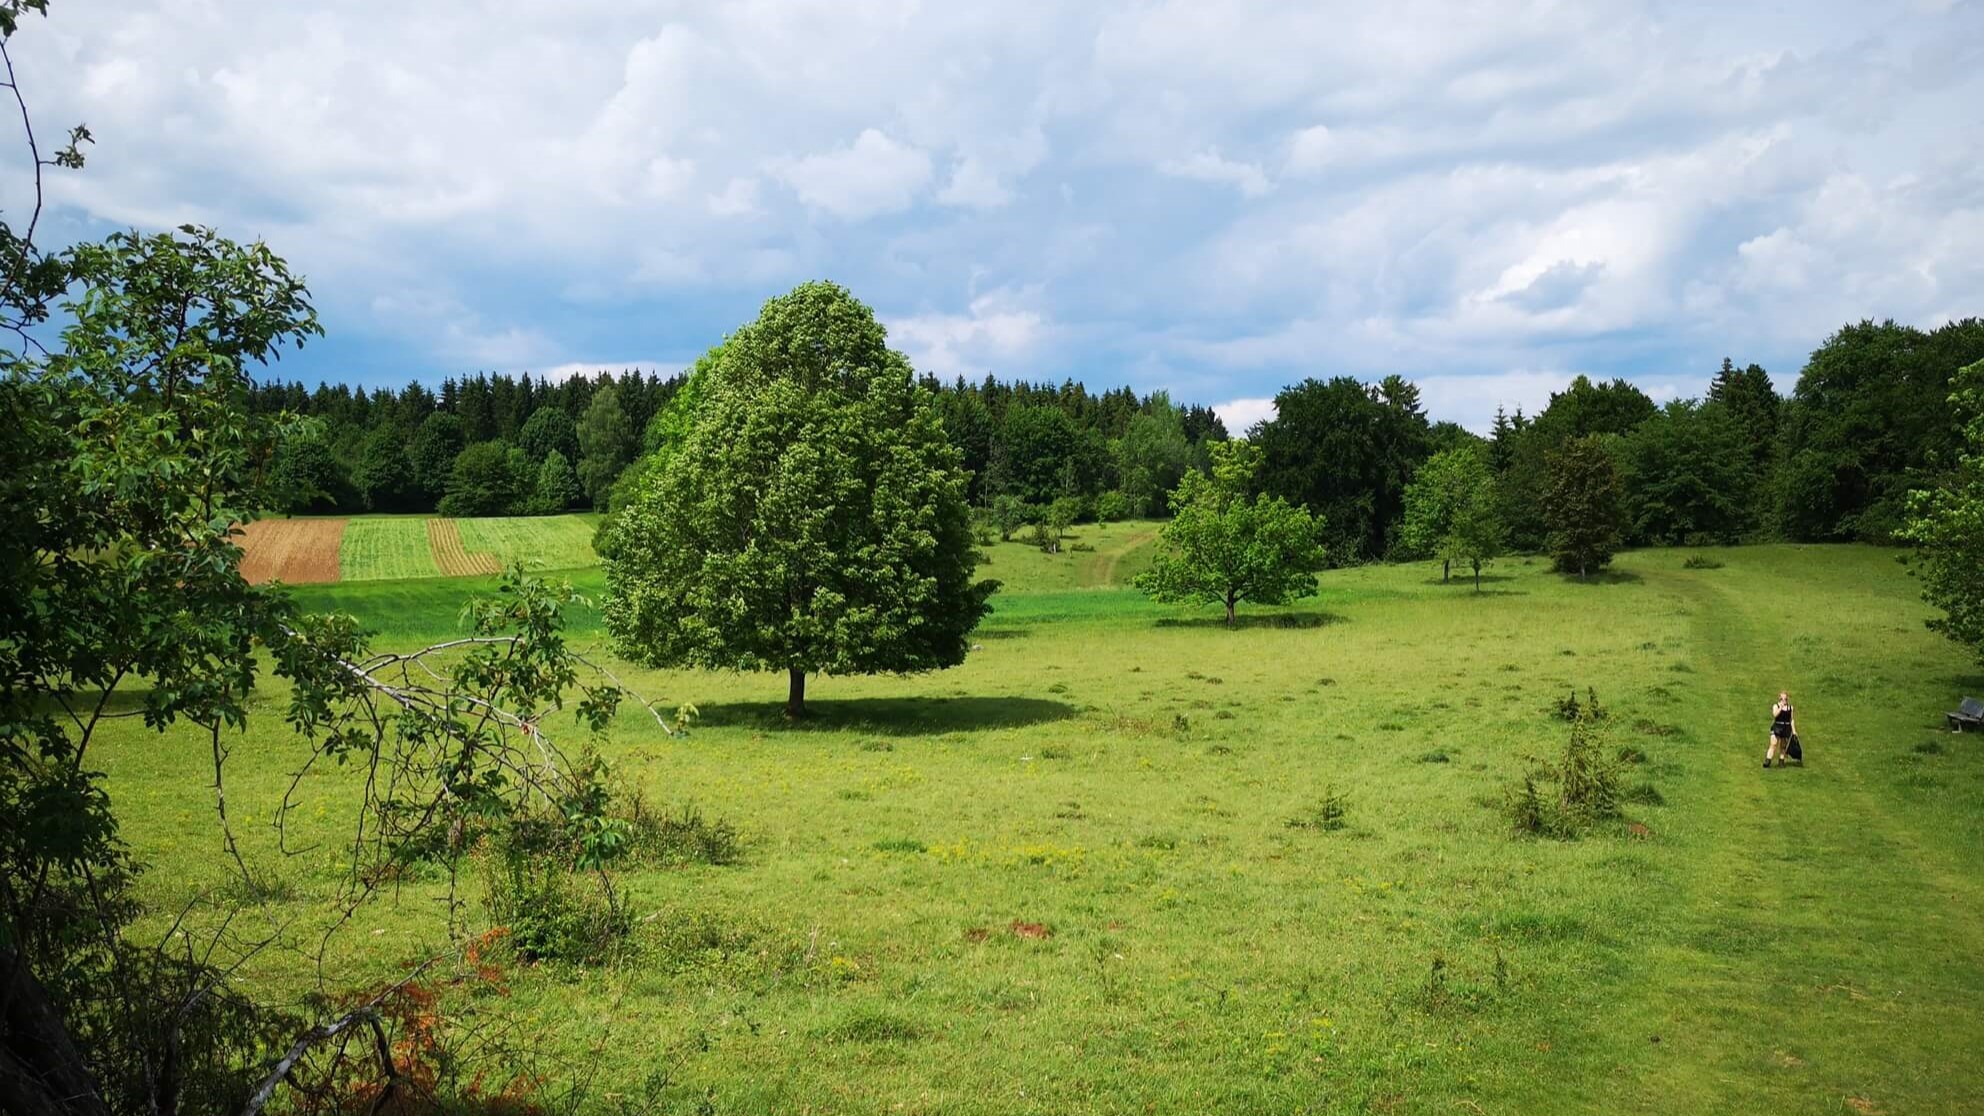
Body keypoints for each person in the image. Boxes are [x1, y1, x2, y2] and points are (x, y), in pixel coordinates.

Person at [1765, 691, 1796, 768]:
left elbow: (1791, 719)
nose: (1784, 700)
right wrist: (1781, 707)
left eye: (1785, 699)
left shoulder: (1790, 707)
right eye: (1782, 699)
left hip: (1786, 727)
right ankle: (1768, 760)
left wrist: (1794, 731)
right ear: (1779, 699)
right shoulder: (1776, 706)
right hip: (1777, 727)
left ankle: (1781, 761)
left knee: (1783, 746)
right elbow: (1775, 715)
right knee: (1773, 744)